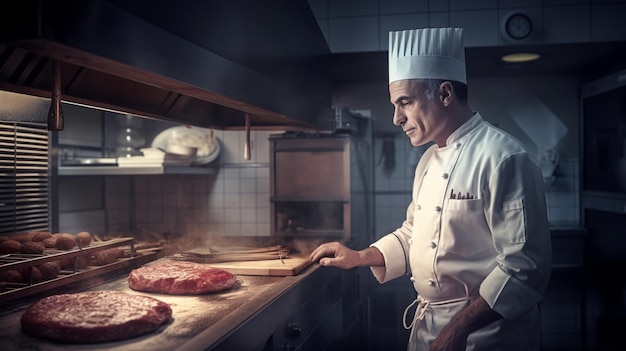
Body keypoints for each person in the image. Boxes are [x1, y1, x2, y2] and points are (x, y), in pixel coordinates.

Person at [310, 27, 552, 351]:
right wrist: (359, 257)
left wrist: (457, 330)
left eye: (405, 102)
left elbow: (525, 268)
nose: (396, 118)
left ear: (445, 94)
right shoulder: (426, 160)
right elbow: (415, 233)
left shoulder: (504, 158)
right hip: (430, 330)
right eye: (395, 105)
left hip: (488, 336)